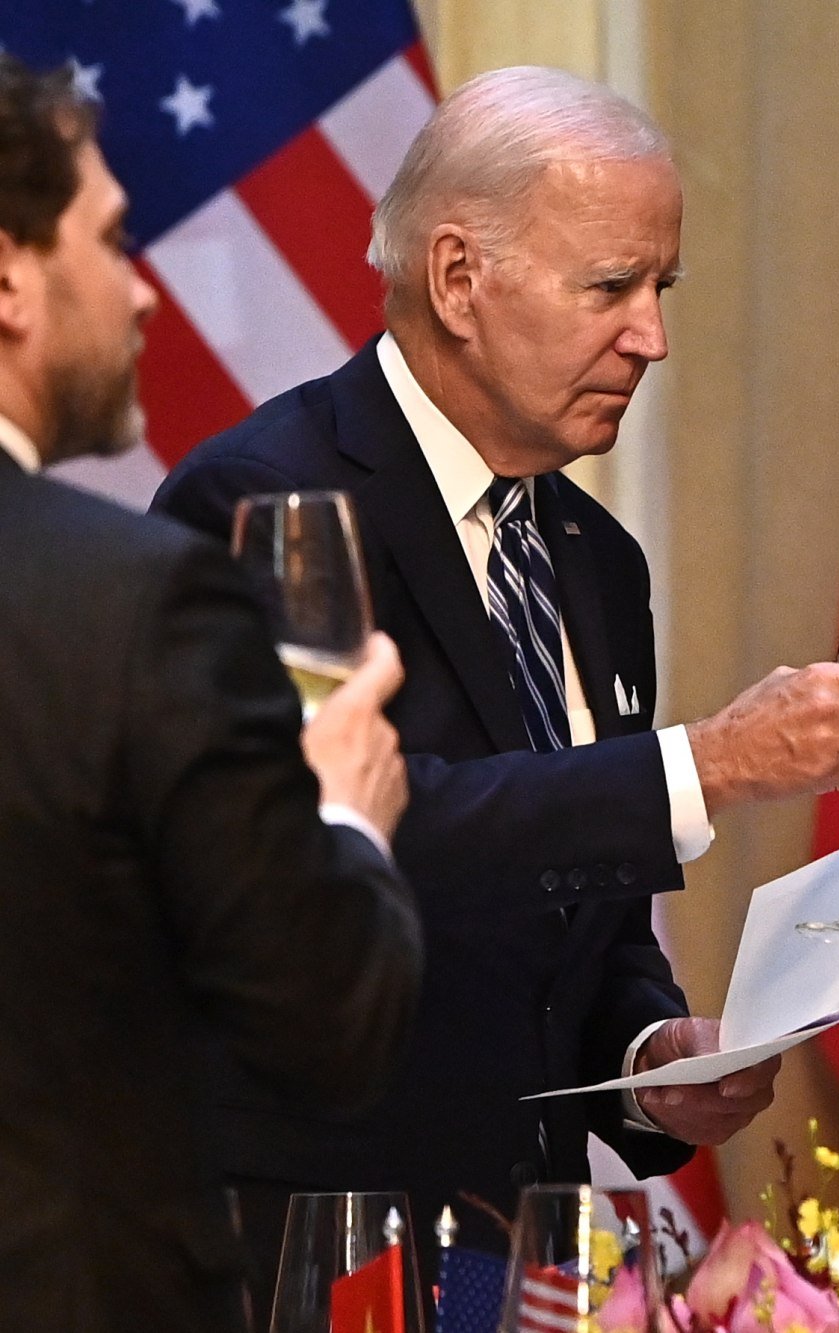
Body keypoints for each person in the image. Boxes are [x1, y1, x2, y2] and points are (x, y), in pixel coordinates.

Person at [152, 65, 839, 1306]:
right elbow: (334, 846)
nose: (652, 336)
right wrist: (710, 762)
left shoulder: (594, 561)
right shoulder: (266, 507)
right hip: (310, 1257)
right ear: (458, 277)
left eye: (661, 286)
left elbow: (583, 917)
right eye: (609, 287)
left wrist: (648, 1057)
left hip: (531, 1257)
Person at [0, 57, 422, 1332]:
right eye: (115, 237)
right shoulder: (136, 602)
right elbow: (325, 1025)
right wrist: (344, 815)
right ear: (10, 278)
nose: (141, 291)